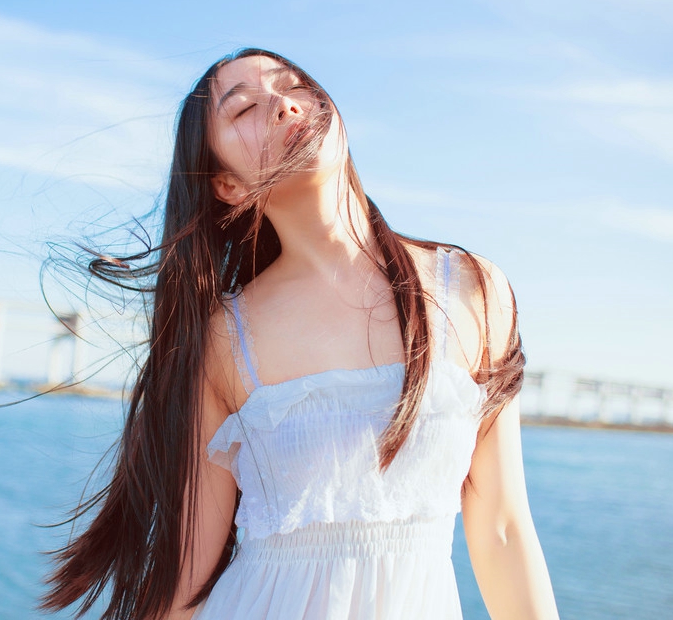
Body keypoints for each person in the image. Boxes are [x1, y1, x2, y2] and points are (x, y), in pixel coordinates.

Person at [40, 48, 559, 620]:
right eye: (245, 110)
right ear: (226, 186)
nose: (285, 104)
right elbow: (186, 578)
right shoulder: (221, 339)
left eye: (294, 85)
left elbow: (504, 530)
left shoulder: (473, 289)